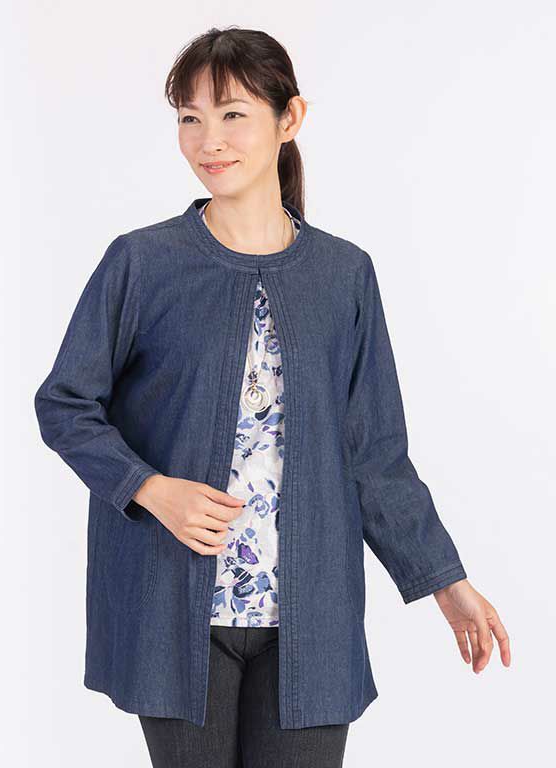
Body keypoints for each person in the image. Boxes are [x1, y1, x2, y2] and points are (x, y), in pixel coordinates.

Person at [34, 26, 511, 768]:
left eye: (233, 114)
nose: (209, 140)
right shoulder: (142, 263)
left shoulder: (344, 275)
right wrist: (150, 489)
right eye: (190, 117)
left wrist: (443, 580)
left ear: (290, 119)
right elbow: (66, 403)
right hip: (172, 612)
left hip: (310, 620)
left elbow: (375, 453)